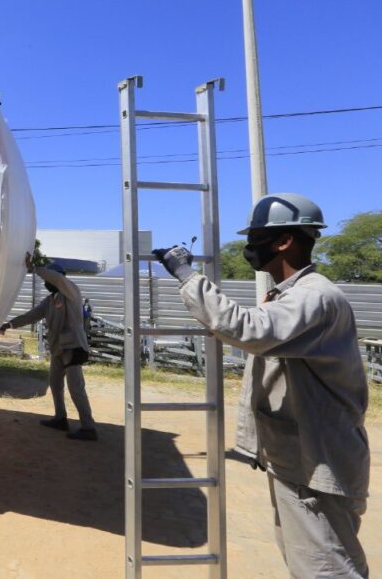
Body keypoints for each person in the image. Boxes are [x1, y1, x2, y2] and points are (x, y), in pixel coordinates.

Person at [154, 193, 369, 578]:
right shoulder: (290, 296)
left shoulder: (314, 296)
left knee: (327, 569)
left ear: (284, 241)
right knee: (306, 562)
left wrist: (188, 277)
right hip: (298, 457)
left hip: (318, 461)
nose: (251, 247)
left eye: (256, 237)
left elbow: (248, 330)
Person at [0, 261, 97, 441]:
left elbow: (56, 278)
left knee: (76, 388)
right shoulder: (50, 301)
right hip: (59, 348)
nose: (46, 283)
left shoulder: (71, 291)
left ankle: (88, 427)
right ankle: (60, 418)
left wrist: (36, 268)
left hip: (73, 346)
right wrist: (10, 324)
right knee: (55, 383)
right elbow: (32, 315)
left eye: (49, 278)